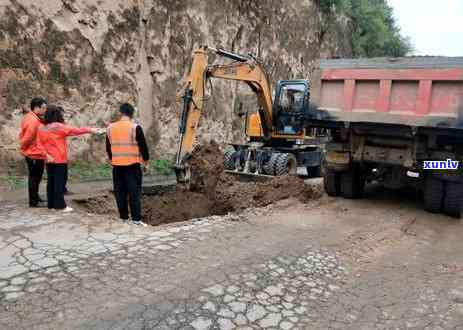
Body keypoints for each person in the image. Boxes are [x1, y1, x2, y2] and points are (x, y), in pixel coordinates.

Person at [37, 105, 98, 212]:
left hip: (48, 159)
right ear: (57, 115)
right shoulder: (58, 127)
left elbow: (38, 144)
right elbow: (76, 130)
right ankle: (60, 206)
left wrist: (46, 155)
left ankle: (51, 205)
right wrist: (90, 130)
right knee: (59, 183)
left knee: (51, 182)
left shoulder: (41, 128)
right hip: (59, 159)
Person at [106, 103, 150, 226]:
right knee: (134, 193)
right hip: (132, 166)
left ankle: (124, 218)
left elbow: (108, 147)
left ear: (121, 113)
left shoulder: (110, 128)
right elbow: (143, 147)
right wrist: (146, 162)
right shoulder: (135, 127)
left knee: (120, 193)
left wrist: (112, 160)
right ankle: (136, 220)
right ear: (132, 114)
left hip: (117, 167)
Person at [19, 97, 47, 207]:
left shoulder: (30, 117)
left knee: (36, 177)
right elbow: (27, 137)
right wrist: (23, 148)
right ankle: (33, 201)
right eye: (43, 108)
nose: (45, 110)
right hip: (34, 153)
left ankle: (35, 196)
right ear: (36, 108)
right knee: (34, 177)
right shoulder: (33, 121)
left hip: (35, 152)